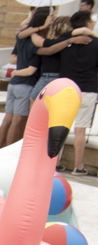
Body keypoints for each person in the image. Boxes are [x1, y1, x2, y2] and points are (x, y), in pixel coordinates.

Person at [0, 7, 47, 149]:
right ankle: (9, 150)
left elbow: (20, 33)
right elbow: (31, 70)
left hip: (14, 84)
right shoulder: (36, 44)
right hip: (26, 84)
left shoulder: (22, 40)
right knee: (18, 120)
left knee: (8, 118)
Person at [60, 11, 98, 174]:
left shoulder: (65, 40)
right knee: (80, 129)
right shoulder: (96, 43)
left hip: (67, 88)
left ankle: (55, 162)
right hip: (88, 89)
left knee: (61, 126)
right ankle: (78, 165)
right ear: (88, 24)